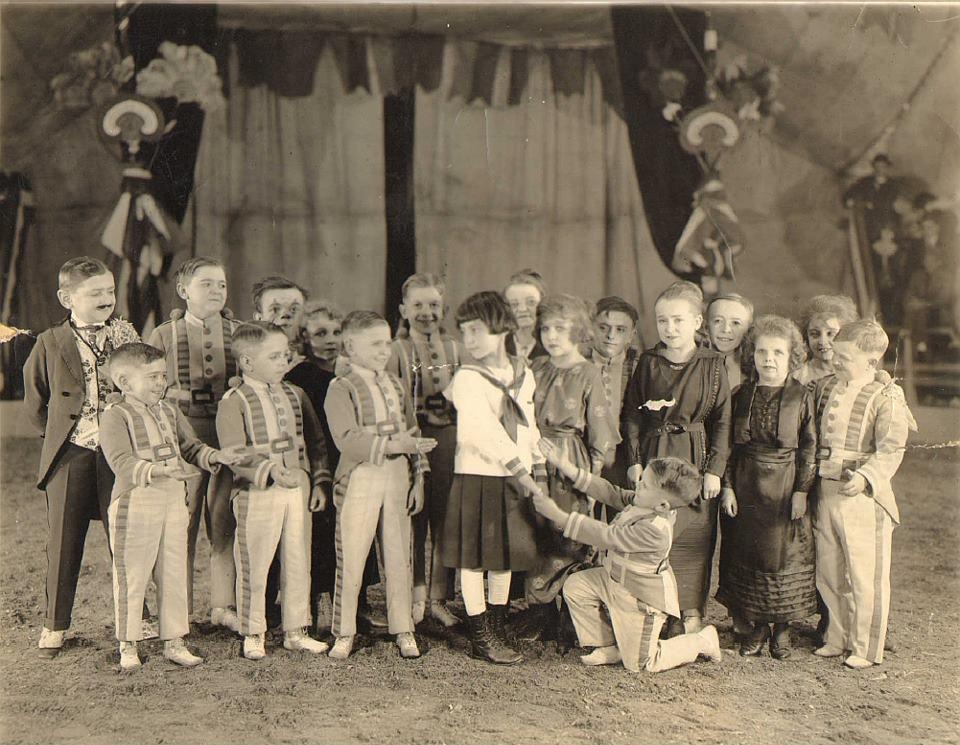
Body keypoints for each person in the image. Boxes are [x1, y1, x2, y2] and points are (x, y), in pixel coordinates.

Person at [23, 256, 141, 657]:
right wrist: (62, 436)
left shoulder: (124, 334)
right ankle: (55, 625)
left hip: (118, 454)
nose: (106, 299)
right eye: (95, 293)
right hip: (72, 453)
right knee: (64, 541)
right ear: (66, 298)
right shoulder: (50, 341)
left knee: (124, 537)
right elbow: (35, 402)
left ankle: (136, 618)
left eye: (110, 291)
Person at [99, 343, 238, 670]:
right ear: (124, 382)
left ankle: (174, 640)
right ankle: (128, 643)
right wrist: (159, 471)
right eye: (153, 377)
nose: (161, 382)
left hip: (174, 499)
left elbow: (191, 447)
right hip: (135, 501)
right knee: (132, 574)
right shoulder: (115, 416)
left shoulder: (169, 411)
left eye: (163, 375)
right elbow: (120, 462)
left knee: (173, 570)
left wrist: (216, 456)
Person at [532, 444, 721, 672]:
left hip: (640, 599)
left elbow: (607, 536)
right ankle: (609, 645)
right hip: (614, 581)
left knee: (642, 663)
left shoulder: (655, 530)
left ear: (663, 505)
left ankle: (702, 641)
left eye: (645, 485)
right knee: (576, 586)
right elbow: (610, 492)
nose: (638, 485)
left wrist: (559, 516)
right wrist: (567, 467)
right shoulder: (645, 502)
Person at [216, 321, 331, 660]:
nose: (284, 361)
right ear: (248, 362)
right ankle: (253, 632)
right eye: (275, 356)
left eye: (286, 355)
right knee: (254, 563)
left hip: (296, 489)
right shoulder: (233, 401)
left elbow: (316, 442)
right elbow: (234, 453)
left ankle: (296, 630)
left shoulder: (296, 394)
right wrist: (268, 471)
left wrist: (319, 481)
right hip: (256, 493)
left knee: (298, 558)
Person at [442, 291, 546, 665]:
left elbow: (527, 425)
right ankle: (480, 632)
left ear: (501, 328)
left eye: (476, 330)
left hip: (512, 475)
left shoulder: (523, 373)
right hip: (478, 475)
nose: (468, 339)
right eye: (464, 331)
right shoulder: (468, 378)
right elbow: (482, 432)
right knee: (474, 556)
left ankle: (498, 622)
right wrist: (521, 470)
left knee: (503, 553)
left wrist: (537, 464)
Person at [324, 311, 435, 660]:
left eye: (386, 343)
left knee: (399, 553)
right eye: (374, 344)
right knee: (352, 554)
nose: (383, 351)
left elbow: (413, 432)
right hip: (361, 476)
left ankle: (403, 628)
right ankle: (344, 632)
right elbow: (347, 439)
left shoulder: (396, 384)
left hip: (398, 475)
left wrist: (418, 478)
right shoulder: (340, 388)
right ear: (350, 346)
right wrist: (392, 445)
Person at [623, 280, 732, 636]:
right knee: (655, 530)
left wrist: (714, 470)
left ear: (697, 322)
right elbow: (633, 415)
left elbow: (722, 421)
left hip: (693, 456)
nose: (670, 329)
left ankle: (690, 611)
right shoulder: (649, 362)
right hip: (655, 454)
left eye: (678, 320)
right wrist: (635, 460)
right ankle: (658, 609)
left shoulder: (712, 365)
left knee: (693, 534)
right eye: (663, 321)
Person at [811, 320, 915, 669]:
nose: (835, 361)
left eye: (845, 357)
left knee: (864, 574)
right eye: (835, 354)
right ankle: (836, 637)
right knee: (829, 570)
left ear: (871, 361)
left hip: (863, 498)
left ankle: (866, 647)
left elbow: (892, 447)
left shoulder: (886, 395)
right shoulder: (826, 387)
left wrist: (867, 477)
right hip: (826, 492)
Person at [717, 316, 818, 659]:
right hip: (746, 486)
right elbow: (727, 447)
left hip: (786, 487)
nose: (769, 359)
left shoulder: (802, 397)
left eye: (778, 352)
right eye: (762, 352)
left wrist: (802, 490)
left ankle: (783, 631)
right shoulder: (740, 395)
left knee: (782, 558)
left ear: (792, 357)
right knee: (750, 555)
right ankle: (757, 628)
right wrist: (728, 488)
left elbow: (809, 448)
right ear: (752, 355)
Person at [520, 295, 618, 643]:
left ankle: (573, 614)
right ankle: (541, 612)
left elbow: (600, 432)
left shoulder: (589, 373)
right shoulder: (536, 367)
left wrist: (591, 481)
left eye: (560, 328)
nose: (551, 336)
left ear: (577, 330)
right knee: (536, 531)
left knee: (570, 534)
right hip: (535, 457)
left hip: (570, 462)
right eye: (546, 328)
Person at [148, 257, 240, 629]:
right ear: (184, 290)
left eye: (221, 284)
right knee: (180, 522)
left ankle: (223, 605)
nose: (216, 290)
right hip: (182, 434)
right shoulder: (164, 335)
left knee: (223, 519)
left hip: (227, 433)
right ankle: (178, 610)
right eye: (206, 284)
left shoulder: (239, 332)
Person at [387, 273, 462, 628]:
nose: (426, 312)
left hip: (448, 440)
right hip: (410, 439)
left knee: (446, 519)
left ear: (443, 308)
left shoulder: (456, 349)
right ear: (404, 310)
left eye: (434, 305)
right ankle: (415, 596)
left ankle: (439, 598)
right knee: (413, 518)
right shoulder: (395, 351)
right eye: (418, 305)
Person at [585, 296, 642, 490]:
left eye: (620, 330)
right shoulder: (579, 364)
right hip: (584, 453)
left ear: (631, 335)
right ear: (591, 328)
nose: (611, 335)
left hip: (623, 458)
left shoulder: (637, 367)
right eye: (603, 327)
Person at [792, 295, 858, 386]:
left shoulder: (857, 372)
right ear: (806, 336)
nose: (822, 341)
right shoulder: (798, 377)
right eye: (815, 334)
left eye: (830, 334)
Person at [705, 293, 754, 394]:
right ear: (706, 327)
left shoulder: (754, 368)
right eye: (718, 321)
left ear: (748, 329)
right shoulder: (694, 365)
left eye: (736, 323)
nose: (726, 329)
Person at [503, 269, 548, 362]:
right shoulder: (498, 345)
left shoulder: (552, 345)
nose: (522, 309)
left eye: (531, 302)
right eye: (514, 304)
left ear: (543, 304)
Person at [303, 300, 344, 374]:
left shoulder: (352, 371)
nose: (331, 340)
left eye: (337, 333)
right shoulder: (299, 373)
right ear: (305, 337)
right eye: (321, 334)